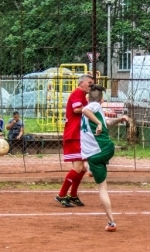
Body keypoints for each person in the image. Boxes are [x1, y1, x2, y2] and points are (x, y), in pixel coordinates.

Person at [80, 84, 130, 232]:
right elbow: (106, 121)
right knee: (90, 168)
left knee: (102, 188)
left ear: (88, 98)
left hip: (98, 152)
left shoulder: (92, 107)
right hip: (103, 151)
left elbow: (85, 109)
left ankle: (112, 222)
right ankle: (111, 223)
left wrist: (101, 122)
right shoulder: (95, 109)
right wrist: (118, 119)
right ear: (102, 100)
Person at [56, 74, 94, 207]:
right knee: (78, 167)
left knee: (83, 168)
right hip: (74, 135)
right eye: (89, 83)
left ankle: (73, 195)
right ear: (81, 83)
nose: (91, 85)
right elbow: (77, 109)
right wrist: (91, 107)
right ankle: (61, 195)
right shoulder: (77, 93)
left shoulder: (82, 95)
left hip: (79, 135)